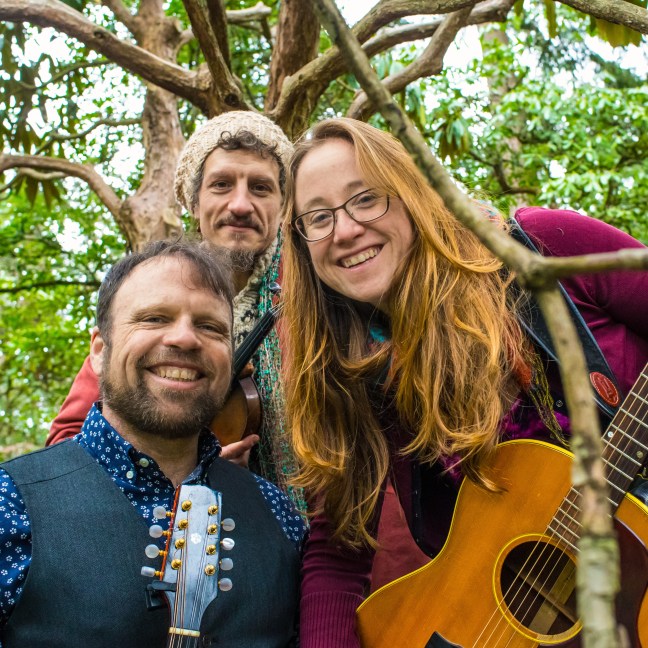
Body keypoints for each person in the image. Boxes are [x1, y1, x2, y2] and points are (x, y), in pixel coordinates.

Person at [279, 117, 648, 647]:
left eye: (365, 199)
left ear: (410, 195)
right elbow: (337, 550)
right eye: (317, 217)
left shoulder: (545, 246)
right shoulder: (354, 373)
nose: (345, 230)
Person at [0, 240, 305, 647]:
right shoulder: (10, 503)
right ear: (99, 352)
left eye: (210, 327)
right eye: (154, 318)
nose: (184, 338)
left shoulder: (278, 512)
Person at [47, 111, 304, 509]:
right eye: (221, 185)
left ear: (283, 205)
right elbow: (68, 439)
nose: (240, 204)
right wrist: (175, 471)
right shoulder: (147, 295)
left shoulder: (311, 298)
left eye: (260, 188)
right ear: (194, 201)